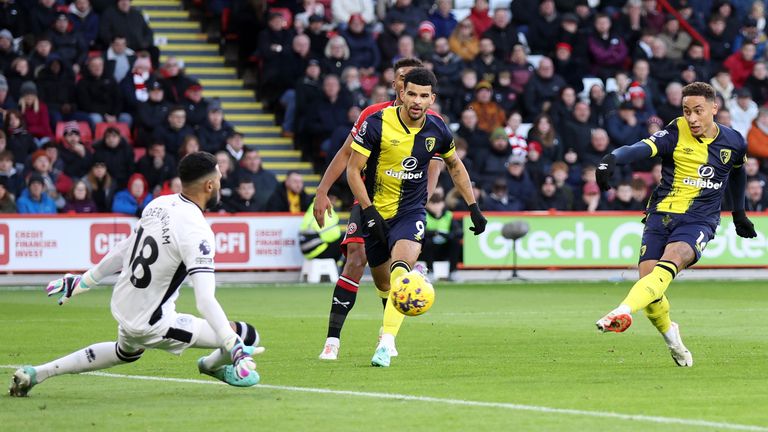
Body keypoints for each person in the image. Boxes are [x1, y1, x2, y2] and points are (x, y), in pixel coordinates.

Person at [9, 152, 263, 397]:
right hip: (153, 323)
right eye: (219, 179)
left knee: (124, 352)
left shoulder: (159, 204)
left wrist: (84, 281)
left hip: (124, 304)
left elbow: (124, 248)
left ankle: (37, 373)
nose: (221, 184)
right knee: (247, 334)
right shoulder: (197, 232)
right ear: (209, 185)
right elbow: (205, 300)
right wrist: (234, 346)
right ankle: (211, 365)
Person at [594, 82, 757, 367]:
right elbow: (640, 148)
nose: (692, 118)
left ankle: (621, 311)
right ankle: (673, 338)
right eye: (686, 111)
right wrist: (611, 159)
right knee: (650, 284)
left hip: (700, 219)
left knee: (669, 264)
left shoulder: (734, 142)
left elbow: (738, 173)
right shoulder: (674, 132)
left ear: (714, 109)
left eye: (698, 111)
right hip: (661, 215)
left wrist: (739, 213)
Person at [346, 69, 486, 367]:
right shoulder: (376, 124)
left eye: (424, 96)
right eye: (412, 94)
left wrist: (473, 206)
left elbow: (455, 166)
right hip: (375, 213)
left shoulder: (437, 129)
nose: (417, 101)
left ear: (432, 99)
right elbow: (352, 170)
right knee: (384, 285)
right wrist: (369, 211)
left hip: (410, 212)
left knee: (401, 273)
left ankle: (386, 342)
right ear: (402, 93)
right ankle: (388, 327)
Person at [313, 59, 439, 361]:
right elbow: (346, 153)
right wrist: (322, 190)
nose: (406, 85)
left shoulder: (431, 122)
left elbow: (435, 165)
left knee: (390, 276)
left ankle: (387, 336)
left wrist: (420, 202)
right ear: (396, 84)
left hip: (405, 206)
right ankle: (332, 341)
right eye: (401, 78)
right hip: (367, 201)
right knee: (356, 259)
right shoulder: (373, 115)